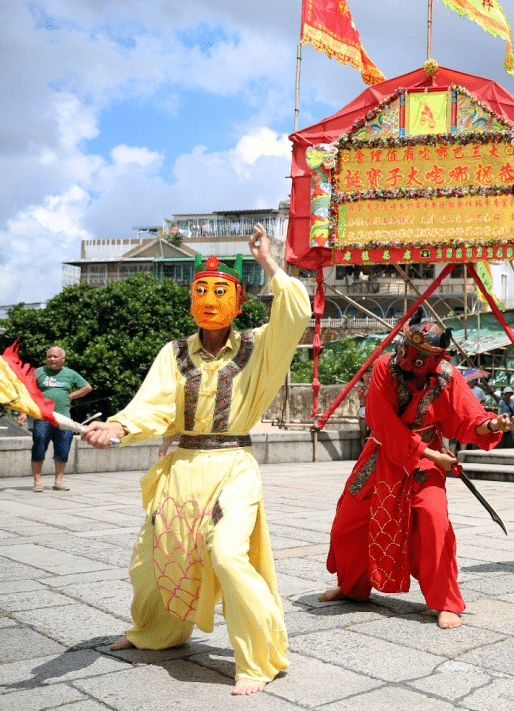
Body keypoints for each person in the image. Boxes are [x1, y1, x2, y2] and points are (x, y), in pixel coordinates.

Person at [82, 226, 310, 695]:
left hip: (233, 466)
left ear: (238, 300)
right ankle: (154, 633)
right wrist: (118, 427)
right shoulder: (174, 353)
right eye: (200, 290)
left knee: (227, 555)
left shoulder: (258, 346)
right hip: (184, 466)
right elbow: (153, 404)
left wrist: (268, 262)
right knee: (154, 557)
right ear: (191, 299)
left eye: (220, 291)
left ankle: (259, 657)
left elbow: (296, 312)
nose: (209, 298)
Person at [319, 313, 514, 629]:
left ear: (437, 358)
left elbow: (468, 418)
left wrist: (493, 424)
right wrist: (432, 453)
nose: (408, 361)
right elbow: (382, 421)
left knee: (434, 521)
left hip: (427, 461)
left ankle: (446, 602)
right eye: (406, 351)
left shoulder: (448, 377)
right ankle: (352, 587)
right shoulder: (385, 366)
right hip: (383, 453)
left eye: (419, 358)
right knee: (348, 522)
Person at [15, 346, 91, 492]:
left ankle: (58, 482)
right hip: (42, 418)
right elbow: (27, 393)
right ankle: (37, 482)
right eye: (49, 356)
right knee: (38, 447)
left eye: (55, 357)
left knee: (63, 450)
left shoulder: (70, 373)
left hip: (64, 419)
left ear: (63, 358)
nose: (52, 359)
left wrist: (70, 396)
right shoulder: (38, 372)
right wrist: (23, 412)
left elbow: (87, 387)